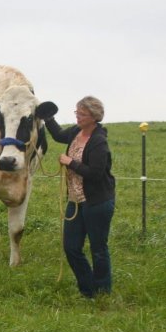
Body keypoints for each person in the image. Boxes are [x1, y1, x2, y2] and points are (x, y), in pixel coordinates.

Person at [43, 96, 116, 298]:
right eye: (77, 112)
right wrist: (48, 118)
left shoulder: (98, 142)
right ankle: (88, 288)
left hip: (97, 202)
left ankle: (102, 291)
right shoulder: (76, 132)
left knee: (98, 248)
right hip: (75, 201)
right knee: (71, 247)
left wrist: (70, 162)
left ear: (94, 117)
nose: (78, 117)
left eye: (82, 114)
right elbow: (58, 135)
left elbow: (96, 173)